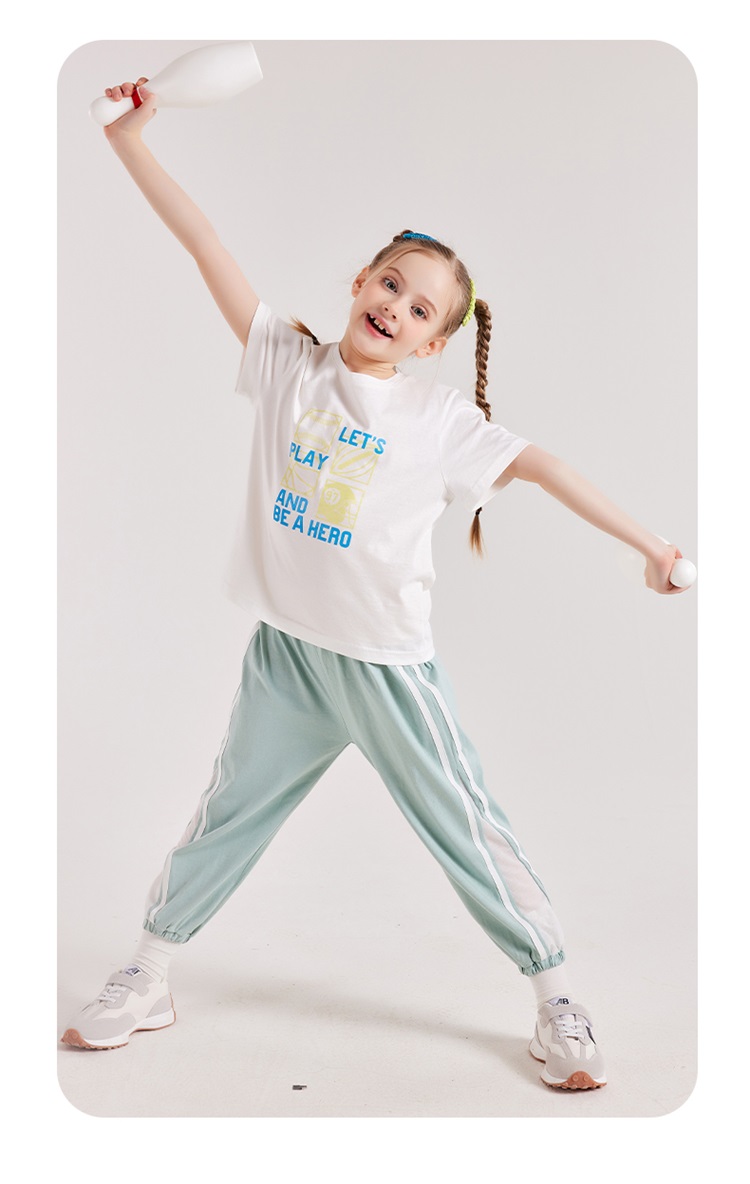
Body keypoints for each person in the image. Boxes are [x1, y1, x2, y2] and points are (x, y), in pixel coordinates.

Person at [60, 78, 689, 1092]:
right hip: (289, 658)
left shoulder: (439, 422)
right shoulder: (287, 364)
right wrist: (130, 141)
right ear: (359, 281)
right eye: (390, 283)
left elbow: (545, 466)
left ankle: (556, 997)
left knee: (469, 831)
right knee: (226, 814)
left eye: (420, 306)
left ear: (435, 343)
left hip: (388, 671)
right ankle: (151, 971)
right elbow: (204, 243)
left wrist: (651, 544)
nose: (395, 306)